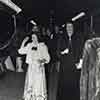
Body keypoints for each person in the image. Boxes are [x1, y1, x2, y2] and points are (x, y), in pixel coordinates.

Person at [18, 27, 50, 100]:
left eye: (34, 37)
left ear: (38, 37)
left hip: (39, 69)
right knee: (30, 85)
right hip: (31, 69)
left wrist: (41, 61)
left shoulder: (43, 46)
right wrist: (23, 42)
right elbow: (20, 51)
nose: (33, 39)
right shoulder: (29, 45)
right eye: (32, 38)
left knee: (38, 86)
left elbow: (48, 59)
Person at [57, 22, 85, 100]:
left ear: (73, 28)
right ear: (65, 29)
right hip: (64, 68)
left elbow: (82, 51)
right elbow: (57, 53)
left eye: (71, 27)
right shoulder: (61, 38)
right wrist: (62, 52)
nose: (69, 29)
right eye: (68, 27)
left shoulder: (78, 38)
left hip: (74, 67)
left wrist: (80, 62)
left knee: (74, 85)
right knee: (64, 86)